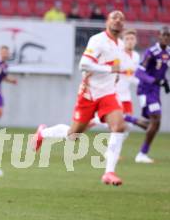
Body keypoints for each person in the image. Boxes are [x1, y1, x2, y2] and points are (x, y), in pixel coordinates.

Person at [32, 11, 127, 186]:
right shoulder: (98, 40)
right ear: (107, 21)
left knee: (119, 126)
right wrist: (109, 71)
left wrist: (115, 77)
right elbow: (83, 64)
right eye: (114, 17)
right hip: (89, 94)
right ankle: (42, 134)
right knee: (73, 135)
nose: (118, 21)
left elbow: (115, 67)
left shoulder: (120, 44)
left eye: (121, 19)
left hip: (108, 94)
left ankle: (109, 173)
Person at [132, 26, 170, 163]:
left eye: (168, 35)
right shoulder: (151, 52)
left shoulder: (168, 53)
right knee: (156, 117)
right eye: (164, 35)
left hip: (155, 90)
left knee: (155, 123)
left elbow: (160, 72)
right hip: (146, 89)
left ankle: (128, 119)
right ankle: (142, 154)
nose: (166, 37)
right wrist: (155, 80)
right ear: (159, 36)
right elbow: (139, 72)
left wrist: (164, 82)